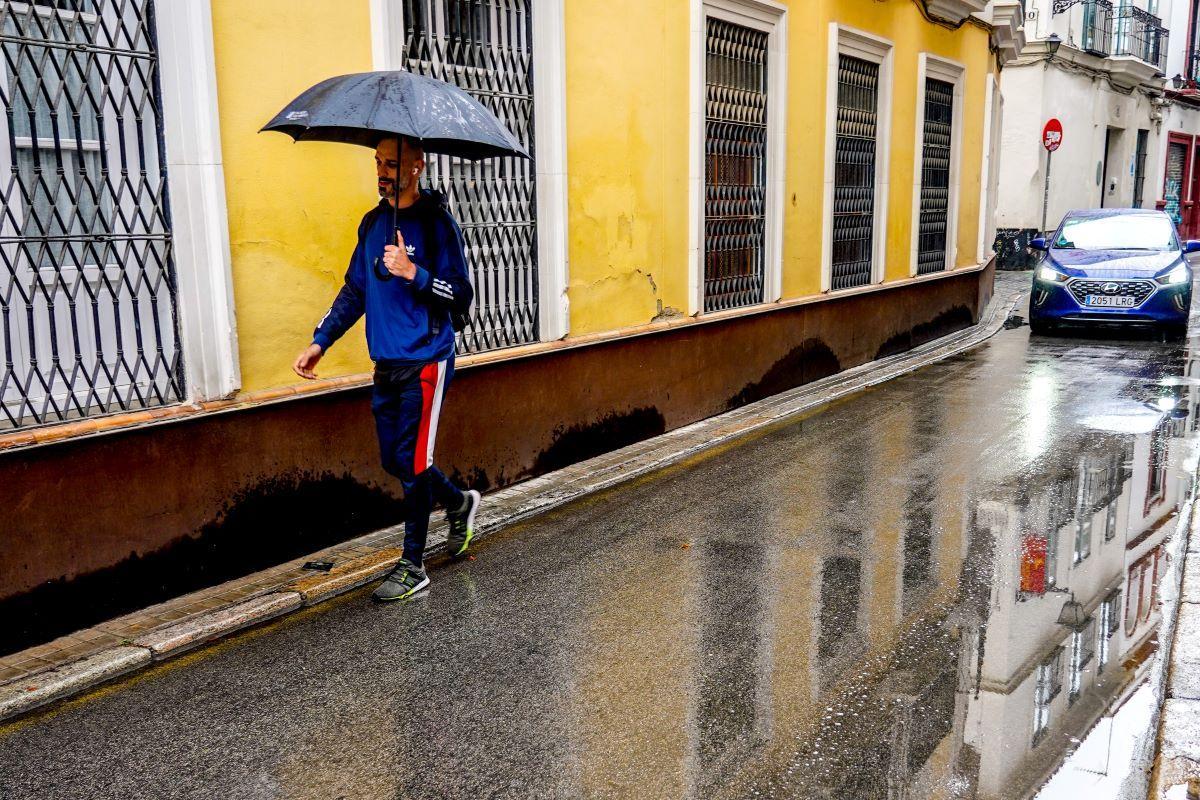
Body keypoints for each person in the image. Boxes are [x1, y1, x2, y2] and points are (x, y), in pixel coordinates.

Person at [293, 135, 481, 602]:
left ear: (418, 166)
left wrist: (413, 274)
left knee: (414, 463)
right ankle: (458, 503)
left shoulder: (437, 224)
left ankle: (412, 565)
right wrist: (321, 341)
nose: (383, 171)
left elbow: (461, 294)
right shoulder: (373, 224)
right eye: (378, 162)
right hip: (387, 363)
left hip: (426, 359)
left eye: (393, 164)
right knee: (394, 460)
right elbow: (355, 290)